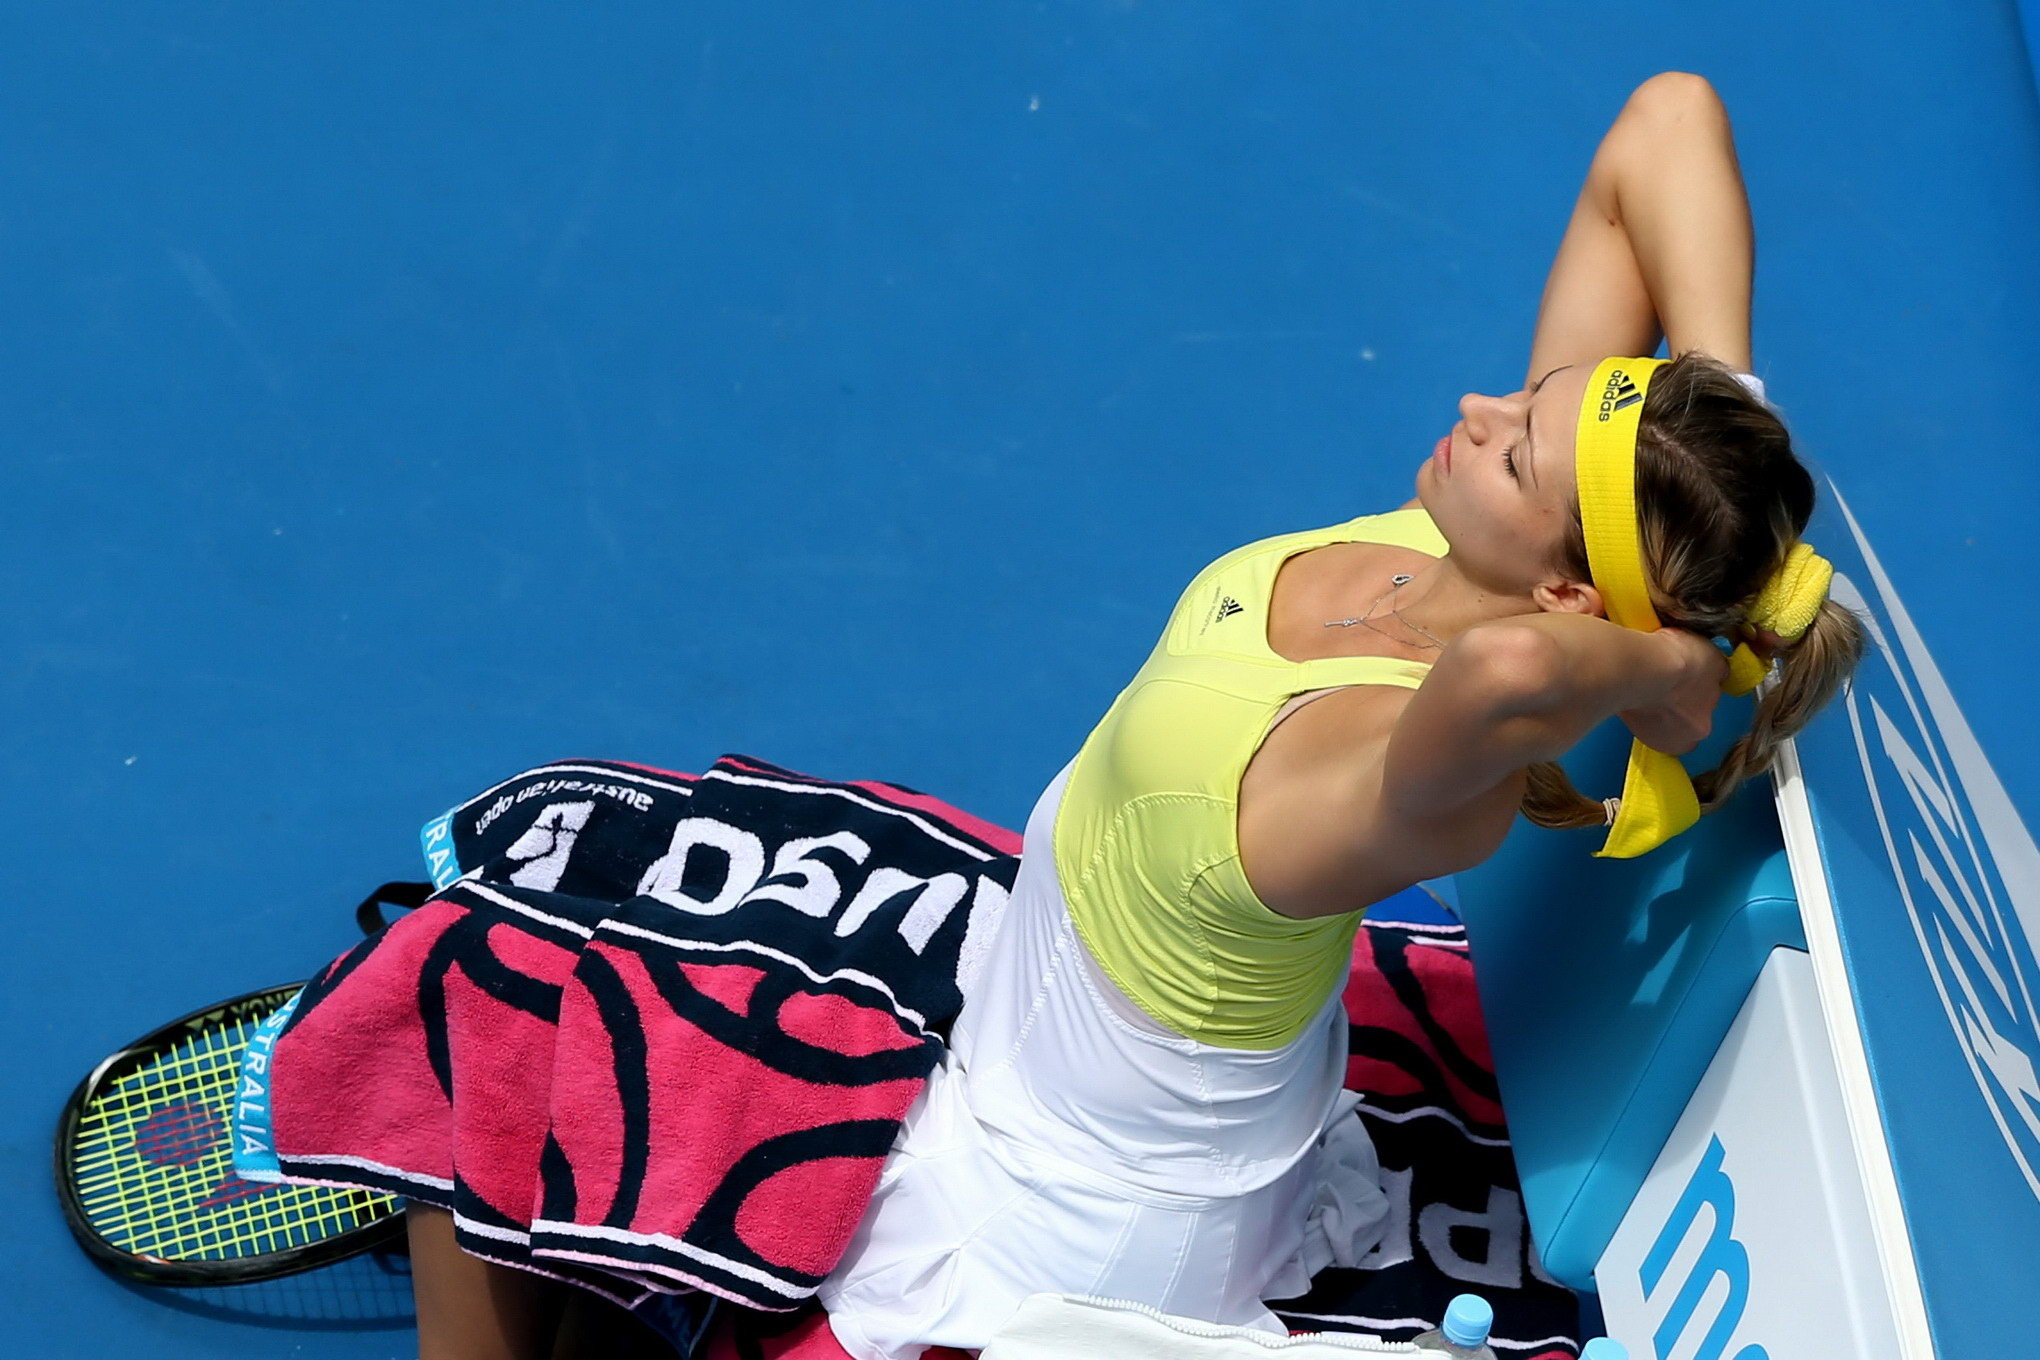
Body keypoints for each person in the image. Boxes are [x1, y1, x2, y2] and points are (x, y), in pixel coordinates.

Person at [404, 70, 1866, 1359]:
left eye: (1517, 449)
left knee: (472, 1001)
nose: (1481, 405)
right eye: (1526, 398)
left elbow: (1510, 679)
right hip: (1025, 1027)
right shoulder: (1457, 556)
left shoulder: (1422, 756)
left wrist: (1671, 675)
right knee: (514, 942)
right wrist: (1716, 406)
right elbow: (1664, 125)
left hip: (1066, 1226)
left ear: (1568, 602)